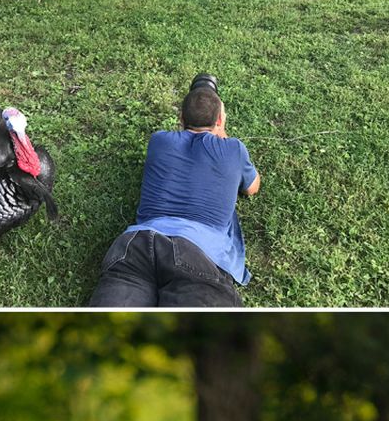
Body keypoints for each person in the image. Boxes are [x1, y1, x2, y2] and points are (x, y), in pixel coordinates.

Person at [89, 76, 260, 307]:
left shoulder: (159, 141)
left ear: (180, 117)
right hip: (198, 251)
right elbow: (252, 188)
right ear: (220, 120)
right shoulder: (234, 149)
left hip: (136, 244)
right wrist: (222, 130)